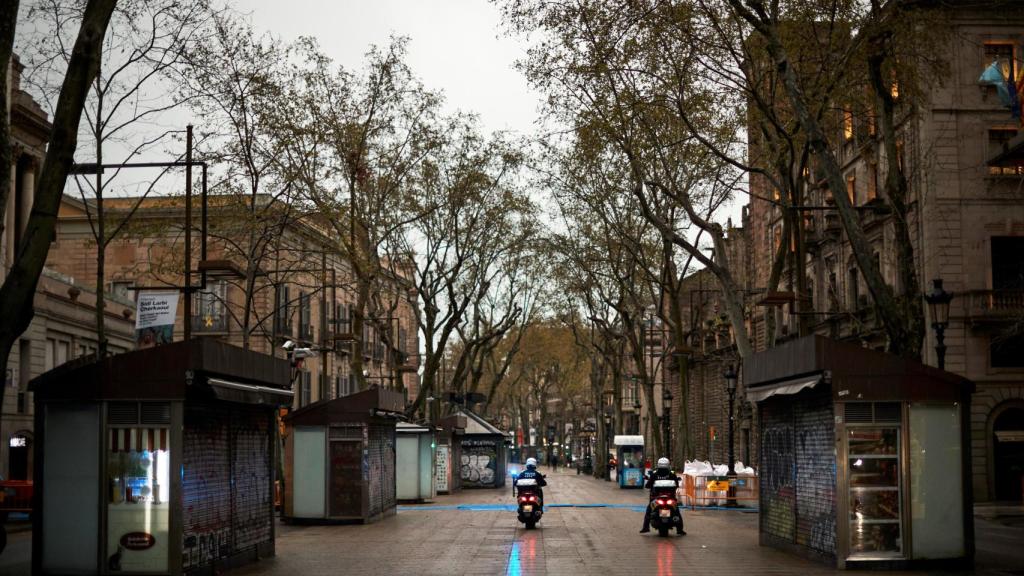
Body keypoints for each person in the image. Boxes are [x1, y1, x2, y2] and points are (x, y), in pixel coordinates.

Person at [639, 457, 685, 535]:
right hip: (670, 498)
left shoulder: (654, 475)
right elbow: (677, 485)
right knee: (677, 512)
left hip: (656, 498)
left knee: (649, 511)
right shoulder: (672, 474)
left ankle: (646, 528)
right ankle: (679, 530)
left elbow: (647, 485)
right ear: (668, 465)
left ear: (658, 465)